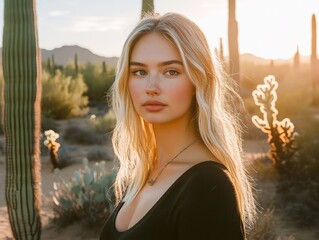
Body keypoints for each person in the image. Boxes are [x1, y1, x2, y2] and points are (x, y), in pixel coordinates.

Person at [100, 12, 256, 240]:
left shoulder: (206, 186)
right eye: (139, 72)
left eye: (171, 71)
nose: (151, 87)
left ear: (198, 80)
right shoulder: (146, 169)